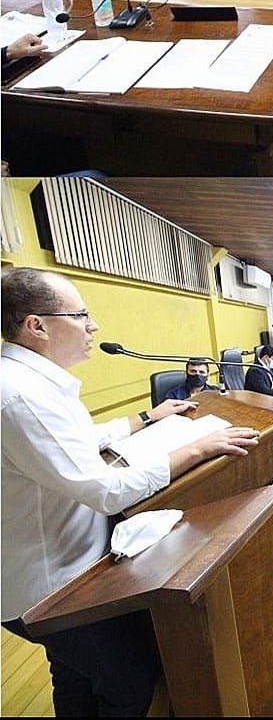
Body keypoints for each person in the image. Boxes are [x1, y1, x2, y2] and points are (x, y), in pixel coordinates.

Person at [1, 267, 259, 717]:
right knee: (129, 680)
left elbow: (76, 441)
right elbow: (110, 491)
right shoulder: (21, 396)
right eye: (80, 315)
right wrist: (197, 447)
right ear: (36, 325)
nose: (92, 326)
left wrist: (145, 419)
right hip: (51, 585)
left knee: (76, 677)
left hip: (56, 573)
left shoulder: (31, 383)